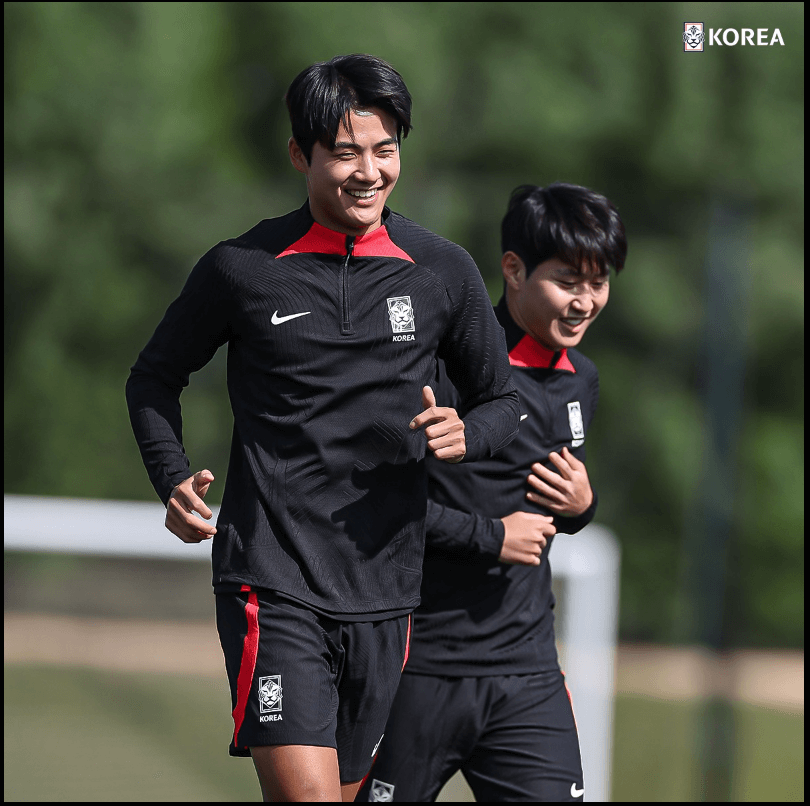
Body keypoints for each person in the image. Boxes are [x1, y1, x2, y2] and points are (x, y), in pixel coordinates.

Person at [125, 54, 520, 802]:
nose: (368, 171)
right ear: (300, 155)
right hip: (272, 581)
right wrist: (170, 474)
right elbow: (153, 376)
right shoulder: (243, 268)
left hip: (387, 591)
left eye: (385, 149)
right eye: (344, 152)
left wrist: (470, 434)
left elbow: (504, 399)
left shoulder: (443, 272)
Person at [358, 182, 628, 803]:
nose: (586, 301)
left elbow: (552, 512)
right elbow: (373, 505)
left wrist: (584, 507)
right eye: (568, 281)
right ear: (513, 269)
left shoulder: (581, 378)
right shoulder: (445, 370)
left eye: (599, 282)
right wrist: (491, 536)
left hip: (526, 673)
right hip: (416, 666)